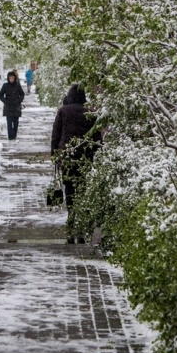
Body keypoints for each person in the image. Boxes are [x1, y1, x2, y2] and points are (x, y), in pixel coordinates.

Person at [51, 85, 101, 242]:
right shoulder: (91, 112)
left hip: (67, 156)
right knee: (82, 187)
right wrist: (94, 154)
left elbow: (56, 134)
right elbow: (97, 137)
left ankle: (72, 217)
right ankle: (80, 219)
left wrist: (54, 155)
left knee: (69, 187)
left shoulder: (63, 111)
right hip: (84, 157)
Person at [0, 70, 25, 140]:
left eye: (13, 78)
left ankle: (14, 135)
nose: (11, 79)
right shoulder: (5, 86)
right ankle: (10, 136)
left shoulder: (17, 85)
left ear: (15, 78)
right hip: (8, 106)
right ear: (8, 78)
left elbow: (22, 94)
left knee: (16, 122)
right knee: (9, 122)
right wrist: (5, 101)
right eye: (10, 78)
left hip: (16, 106)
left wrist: (19, 101)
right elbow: (0, 95)